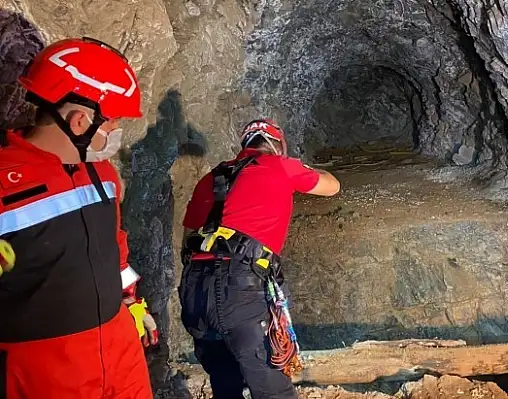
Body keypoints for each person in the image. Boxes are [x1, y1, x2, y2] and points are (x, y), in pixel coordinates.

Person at [0, 37, 158, 399]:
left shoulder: (102, 175)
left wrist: (132, 302)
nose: (116, 131)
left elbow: (114, 247)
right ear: (80, 121)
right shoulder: (4, 181)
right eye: (113, 120)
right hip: (44, 369)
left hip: (120, 351)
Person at [179, 119, 340, 399]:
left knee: (225, 383)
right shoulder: (279, 165)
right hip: (241, 291)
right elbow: (332, 186)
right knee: (272, 390)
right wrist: (298, 166)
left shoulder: (210, 178)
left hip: (195, 293)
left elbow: (187, 239)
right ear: (278, 146)